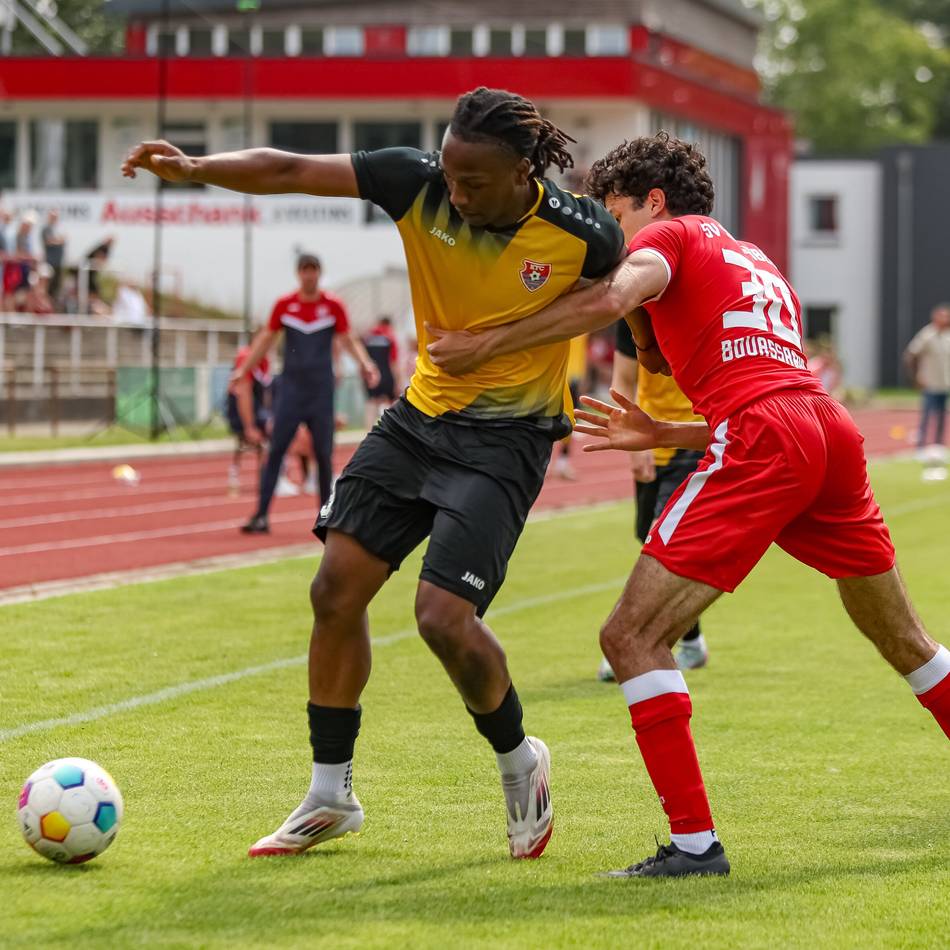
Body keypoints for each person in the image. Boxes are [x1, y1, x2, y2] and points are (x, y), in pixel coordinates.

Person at [122, 85, 626, 860]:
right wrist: (196, 167)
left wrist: (496, 347)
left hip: (508, 440)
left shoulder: (582, 230)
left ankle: (521, 761)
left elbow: (610, 304)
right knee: (334, 588)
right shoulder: (414, 182)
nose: (455, 195)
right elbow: (289, 168)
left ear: (525, 170)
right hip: (418, 420)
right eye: (450, 179)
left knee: (441, 620)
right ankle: (330, 794)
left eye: (475, 184)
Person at [427, 132, 950, 877]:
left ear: (655, 201)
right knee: (908, 642)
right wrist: (664, 428)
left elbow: (615, 295)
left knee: (629, 638)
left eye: (615, 214)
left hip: (770, 436)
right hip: (827, 431)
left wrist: (485, 346)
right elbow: (768, 387)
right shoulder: (758, 260)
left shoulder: (668, 237)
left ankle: (696, 846)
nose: (611, 232)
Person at [229, 253, 378, 534]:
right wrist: (243, 371)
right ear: (298, 274)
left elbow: (348, 338)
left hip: (320, 393)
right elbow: (265, 339)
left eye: (313, 270)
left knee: (323, 454)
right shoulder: (285, 305)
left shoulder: (333, 306)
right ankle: (261, 515)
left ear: (319, 273)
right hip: (291, 392)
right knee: (276, 452)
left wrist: (365, 363)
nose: (309, 276)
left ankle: (326, 519)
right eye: (304, 271)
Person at [596, 319, 709, 681]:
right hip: (648, 439)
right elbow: (624, 379)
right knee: (647, 534)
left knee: (663, 543)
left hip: (691, 439)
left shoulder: (701, 303)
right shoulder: (635, 311)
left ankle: (641, 643)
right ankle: (693, 643)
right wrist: (633, 443)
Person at [226, 343, 272, 495]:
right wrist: (249, 426)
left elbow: (265, 393)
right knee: (276, 432)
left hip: (256, 410)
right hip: (242, 412)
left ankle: (267, 478)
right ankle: (270, 477)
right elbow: (242, 394)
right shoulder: (245, 358)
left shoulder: (263, 361)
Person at [903, 303, 950, 450]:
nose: (946, 318)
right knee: (927, 415)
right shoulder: (927, 335)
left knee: (942, 416)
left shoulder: (948, 336)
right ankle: (921, 446)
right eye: (943, 315)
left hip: (945, 383)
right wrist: (916, 376)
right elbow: (911, 355)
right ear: (935, 317)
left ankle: (938, 445)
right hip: (930, 383)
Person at [552, 333, 587, 480]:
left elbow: (582, 353)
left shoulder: (584, 326)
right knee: (552, 420)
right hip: (560, 376)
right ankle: (554, 462)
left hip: (573, 378)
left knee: (570, 423)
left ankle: (562, 463)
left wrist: (582, 377)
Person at [362, 315, 401, 426]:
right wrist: (397, 381)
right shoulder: (390, 337)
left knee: (371, 403)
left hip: (371, 374)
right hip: (387, 374)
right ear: (389, 324)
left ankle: (368, 431)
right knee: (390, 402)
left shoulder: (367, 336)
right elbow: (394, 362)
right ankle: (391, 428)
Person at [41, 209, 66, 304]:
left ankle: (51, 305)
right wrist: (59, 241)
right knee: (48, 286)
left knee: (56, 286)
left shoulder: (56, 229)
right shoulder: (46, 229)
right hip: (50, 262)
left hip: (58, 263)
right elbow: (49, 241)